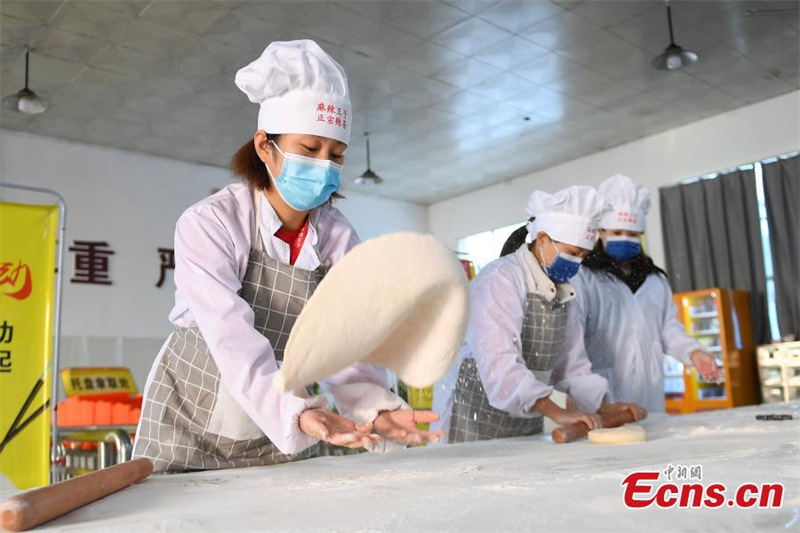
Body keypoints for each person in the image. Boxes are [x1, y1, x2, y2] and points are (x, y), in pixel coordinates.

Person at [133, 40, 441, 472]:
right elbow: (231, 337)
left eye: (336, 155)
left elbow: (345, 338)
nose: (324, 166)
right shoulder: (211, 223)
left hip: (280, 428)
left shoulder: (336, 238)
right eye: (309, 149)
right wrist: (294, 411)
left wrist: (375, 407)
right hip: (191, 419)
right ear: (265, 146)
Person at [430, 186, 641, 444]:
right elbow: (500, 366)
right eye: (572, 253)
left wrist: (603, 404)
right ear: (542, 239)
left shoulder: (563, 292)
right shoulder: (501, 280)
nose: (576, 263)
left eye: (582, 256)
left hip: (525, 418)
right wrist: (557, 413)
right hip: (470, 416)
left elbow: (572, 366)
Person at [558, 174, 720, 414]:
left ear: (641, 235)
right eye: (616, 231)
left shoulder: (655, 281)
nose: (625, 238)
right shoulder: (585, 278)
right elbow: (572, 338)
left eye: (632, 234)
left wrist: (693, 352)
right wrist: (577, 386)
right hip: (600, 397)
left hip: (649, 394)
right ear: (600, 232)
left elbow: (668, 328)